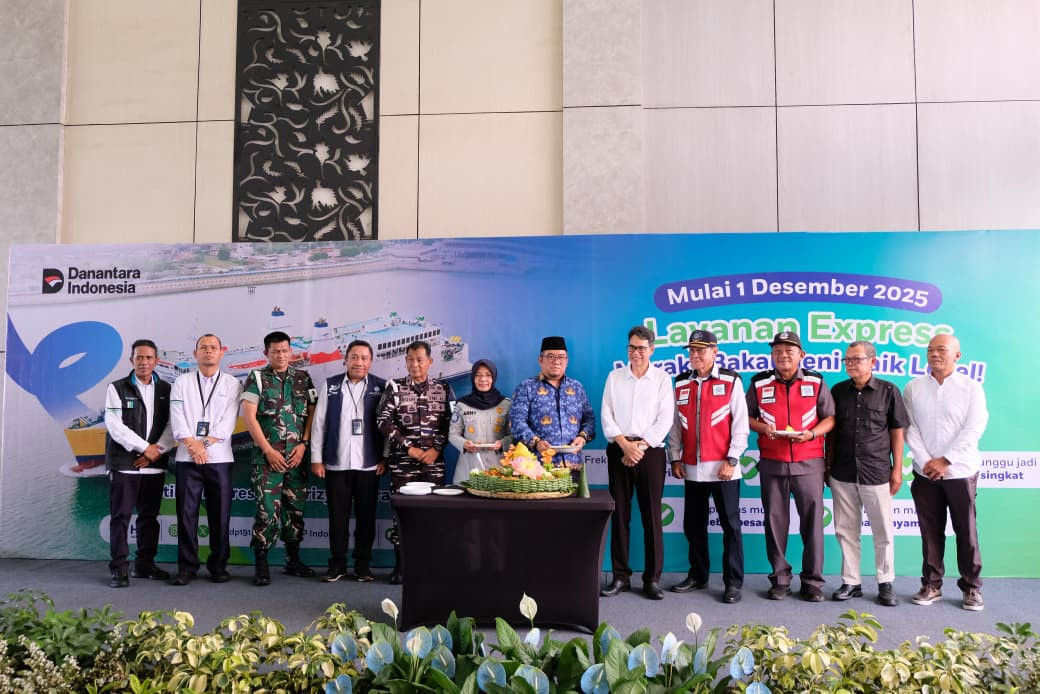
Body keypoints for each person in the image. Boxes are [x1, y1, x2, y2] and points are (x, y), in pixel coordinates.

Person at [746, 331, 835, 602]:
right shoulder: (759, 382)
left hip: (809, 464)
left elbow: (830, 418)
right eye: (777, 351)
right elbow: (745, 417)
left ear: (801, 355)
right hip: (773, 463)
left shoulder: (816, 381)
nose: (783, 355)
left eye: (789, 351)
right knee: (774, 523)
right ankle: (780, 579)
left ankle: (813, 582)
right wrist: (764, 428)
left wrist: (811, 434)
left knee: (812, 524)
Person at [904, 334, 989, 610]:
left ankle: (972, 587)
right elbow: (910, 428)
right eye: (930, 350)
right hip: (925, 473)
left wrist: (946, 460)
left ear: (957, 355)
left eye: (941, 349)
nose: (934, 354)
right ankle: (931, 584)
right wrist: (927, 461)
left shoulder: (971, 388)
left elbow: (974, 428)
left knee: (966, 531)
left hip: (961, 472)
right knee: (930, 531)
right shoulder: (914, 387)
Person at [667, 329, 749, 604]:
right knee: (693, 526)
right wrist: (674, 457)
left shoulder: (731, 380)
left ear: (715, 351)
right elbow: (675, 425)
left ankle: (733, 583)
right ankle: (698, 575)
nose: (695, 355)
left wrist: (732, 459)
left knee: (731, 526)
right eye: (691, 350)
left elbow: (741, 424)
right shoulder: (681, 382)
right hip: (692, 468)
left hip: (724, 468)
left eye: (701, 350)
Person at [827, 341, 908, 607]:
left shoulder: (889, 391)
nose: (850, 364)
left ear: (873, 362)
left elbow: (897, 431)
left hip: (877, 471)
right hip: (843, 471)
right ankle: (851, 582)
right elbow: (831, 433)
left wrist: (897, 469)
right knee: (845, 530)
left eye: (856, 359)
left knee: (883, 530)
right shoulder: (838, 391)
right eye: (847, 360)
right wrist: (827, 467)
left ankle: (885, 582)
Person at [599, 326, 674, 601]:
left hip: (649, 452)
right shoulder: (615, 377)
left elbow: (665, 419)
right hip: (619, 449)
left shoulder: (662, 379)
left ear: (651, 350)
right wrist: (625, 444)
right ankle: (621, 577)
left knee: (652, 516)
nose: (636, 353)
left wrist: (638, 448)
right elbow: (606, 414)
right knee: (620, 515)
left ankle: (652, 579)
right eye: (632, 347)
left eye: (641, 348)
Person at [241, 331, 317, 586]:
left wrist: (304, 444)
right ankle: (261, 564)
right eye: (275, 351)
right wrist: (268, 450)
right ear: (267, 353)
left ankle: (293, 560)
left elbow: (312, 412)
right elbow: (249, 417)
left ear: (291, 351)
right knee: (267, 512)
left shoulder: (303, 378)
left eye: (285, 350)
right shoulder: (257, 378)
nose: (281, 355)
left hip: (296, 458)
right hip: (267, 460)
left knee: (295, 510)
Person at [377, 340, 457, 584]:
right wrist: (407, 447)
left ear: (430, 362)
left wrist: (436, 448)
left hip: (433, 462)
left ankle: (430, 566)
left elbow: (452, 422)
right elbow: (383, 420)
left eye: (420, 360)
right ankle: (401, 566)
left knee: (433, 514)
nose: (414, 364)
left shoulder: (443, 388)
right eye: (410, 359)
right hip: (403, 462)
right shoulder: (395, 387)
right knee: (402, 514)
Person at [168, 334, 243, 585]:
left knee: (220, 515)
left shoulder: (232, 384)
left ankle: (218, 566)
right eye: (203, 348)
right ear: (195, 353)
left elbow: (228, 423)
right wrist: (194, 446)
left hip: (219, 459)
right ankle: (187, 567)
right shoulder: (182, 382)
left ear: (222, 352)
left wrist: (203, 445)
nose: (208, 351)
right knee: (186, 514)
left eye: (213, 348)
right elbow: (177, 417)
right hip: (187, 458)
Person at [311, 340, 387, 583]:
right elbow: (319, 424)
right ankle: (337, 564)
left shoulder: (381, 386)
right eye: (354, 357)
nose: (359, 362)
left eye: (364, 358)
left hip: (369, 464)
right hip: (337, 463)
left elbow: (388, 426)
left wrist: (385, 457)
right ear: (345, 360)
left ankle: (362, 565)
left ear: (371, 361)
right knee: (338, 517)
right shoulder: (331, 385)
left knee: (366, 516)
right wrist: (316, 459)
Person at [104, 339, 176, 587]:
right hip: (125, 463)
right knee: (121, 517)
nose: (144, 362)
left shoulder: (167, 389)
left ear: (156, 361)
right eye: (139, 357)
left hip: (154, 464)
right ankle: (119, 569)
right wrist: (145, 448)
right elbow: (115, 425)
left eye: (148, 358)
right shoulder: (117, 388)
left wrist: (157, 451)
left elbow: (172, 425)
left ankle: (145, 564)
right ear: (131, 360)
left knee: (149, 517)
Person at [509, 336, 595, 467]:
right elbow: (516, 422)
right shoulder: (526, 387)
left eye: (561, 357)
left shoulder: (577, 387)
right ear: (540, 360)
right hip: (537, 467)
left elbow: (589, 419)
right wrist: (536, 442)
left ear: (566, 361)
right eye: (550, 356)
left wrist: (582, 437)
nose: (556, 361)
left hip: (573, 464)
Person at [448, 359, 512, 484]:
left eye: (488, 375)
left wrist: (502, 443)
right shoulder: (462, 404)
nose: (483, 379)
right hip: (468, 468)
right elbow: (453, 434)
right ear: (473, 378)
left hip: (498, 469)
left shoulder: (505, 404)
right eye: (478, 375)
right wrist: (464, 444)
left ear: (494, 378)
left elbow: (513, 435)